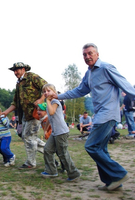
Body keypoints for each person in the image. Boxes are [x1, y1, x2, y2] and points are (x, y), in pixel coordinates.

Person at [53, 43, 135, 191]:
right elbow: (79, 91)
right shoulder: (89, 74)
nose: (87, 56)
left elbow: (126, 86)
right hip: (100, 115)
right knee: (101, 149)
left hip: (108, 114)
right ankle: (112, 182)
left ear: (97, 54)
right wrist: (58, 96)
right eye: (84, 54)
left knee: (91, 146)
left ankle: (119, 173)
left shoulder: (106, 68)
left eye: (90, 53)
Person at [2, 62, 47, 169]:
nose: (15, 72)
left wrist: (40, 100)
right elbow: (15, 102)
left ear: (23, 69)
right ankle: (49, 151)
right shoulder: (18, 84)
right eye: (14, 71)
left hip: (35, 114)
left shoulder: (32, 77)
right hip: (25, 115)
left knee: (28, 137)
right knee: (28, 137)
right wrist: (6, 112)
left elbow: (47, 88)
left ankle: (31, 163)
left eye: (17, 70)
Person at [41, 84, 81, 181]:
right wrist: (46, 129)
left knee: (62, 153)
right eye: (44, 91)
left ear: (54, 92)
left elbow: (51, 112)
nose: (46, 93)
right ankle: (51, 171)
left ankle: (73, 173)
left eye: (49, 91)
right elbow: (50, 118)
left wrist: (47, 101)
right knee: (47, 149)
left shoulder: (55, 102)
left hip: (61, 132)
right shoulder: (49, 103)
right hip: (55, 132)